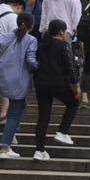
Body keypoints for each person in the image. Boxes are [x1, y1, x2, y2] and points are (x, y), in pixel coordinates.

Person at [0, 12, 39, 158]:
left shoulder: (3, 37)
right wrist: (40, 66)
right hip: (19, 81)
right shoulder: (31, 40)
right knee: (14, 114)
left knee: (20, 107)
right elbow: (31, 60)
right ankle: (5, 147)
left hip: (2, 78)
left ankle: (12, 133)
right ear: (31, 25)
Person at [32, 19, 81, 160]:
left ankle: (39, 150)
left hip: (41, 83)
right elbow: (71, 67)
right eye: (65, 31)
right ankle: (63, 131)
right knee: (73, 104)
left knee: (43, 116)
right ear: (61, 32)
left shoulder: (42, 45)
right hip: (58, 82)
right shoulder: (64, 45)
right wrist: (77, 86)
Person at [0, 0, 25, 121]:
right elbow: (15, 39)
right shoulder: (13, 17)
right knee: (7, 84)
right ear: (19, 7)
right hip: (1, 53)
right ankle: (3, 115)